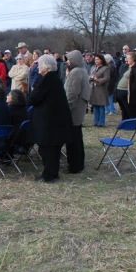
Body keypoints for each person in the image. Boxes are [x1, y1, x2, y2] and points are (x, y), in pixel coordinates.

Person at [27, 55, 71, 183]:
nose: (38, 67)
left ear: (46, 68)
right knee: (53, 149)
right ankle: (53, 173)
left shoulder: (47, 80)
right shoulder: (54, 79)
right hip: (54, 120)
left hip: (49, 122)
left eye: (40, 65)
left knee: (48, 149)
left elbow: (34, 98)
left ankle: (49, 175)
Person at [64, 51, 91, 174]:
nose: (67, 62)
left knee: (72, 141)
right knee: (78, 138)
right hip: (79, 109)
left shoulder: (75, 73)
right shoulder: (82, 70)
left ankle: (74, 166)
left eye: (69, 59)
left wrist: (65, 110)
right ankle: (79, 163)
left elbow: (71, 95)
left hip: (74, 111)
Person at [89, 54, 110, 127]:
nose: (96, 61)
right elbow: (90, 75)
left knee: (101, 106)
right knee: (95, 106)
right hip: (93, 88)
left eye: (98, 59)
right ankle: (95, 121)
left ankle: (101, 122)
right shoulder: (93, 67)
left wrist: (98, 80)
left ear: (101, 60)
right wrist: (91, 78)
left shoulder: (105, 68)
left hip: (101, 89)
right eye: (95, 59)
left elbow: (107, 78)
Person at [114, 53, 131, 120]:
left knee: (127, 107)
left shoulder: (132, 68)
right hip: (119, 89)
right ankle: (124, 119)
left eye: (127, 61)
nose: (126, 62)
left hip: (126, 90)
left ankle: (129, 120)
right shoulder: (122, 67)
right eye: (125, 61)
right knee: (123, 107)